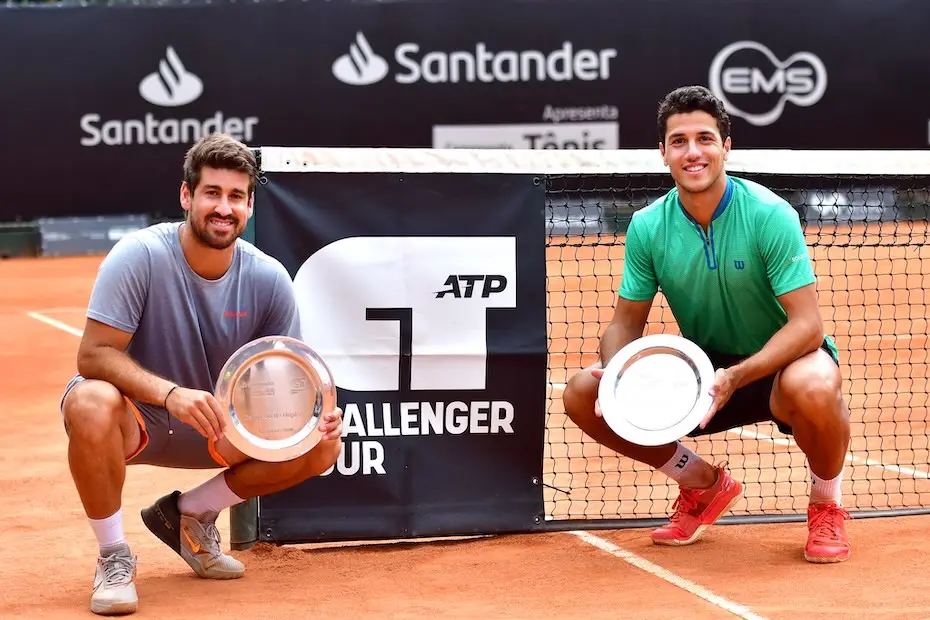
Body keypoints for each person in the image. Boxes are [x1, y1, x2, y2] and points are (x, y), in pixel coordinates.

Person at [561, 86, 852, 564]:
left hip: (781, 366)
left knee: (817, 386)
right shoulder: (648, 226)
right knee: (582, 393)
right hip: (702, 373)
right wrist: (618, 372)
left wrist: (737, 376)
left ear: (726, 146)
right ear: (663, 152)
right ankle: (702, 484)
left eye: (704, 138)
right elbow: (624, 324)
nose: (692, 152)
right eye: (679, 141)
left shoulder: (769, 215)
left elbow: (808, 326)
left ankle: (826, 503)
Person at [59, 133, 344, 616]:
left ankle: (188, 515)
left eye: (236, 196)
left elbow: (285, 376)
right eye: (212, 192)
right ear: (186, 196)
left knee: (322, 445)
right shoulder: (139, 255)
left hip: (220, 428)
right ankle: (113, 555)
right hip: (142, 419)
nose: (223, 207)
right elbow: (93, 356)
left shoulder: (269, 278)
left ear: (251, 206)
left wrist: (312, 418)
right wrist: (170, 395)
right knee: (89, 400)